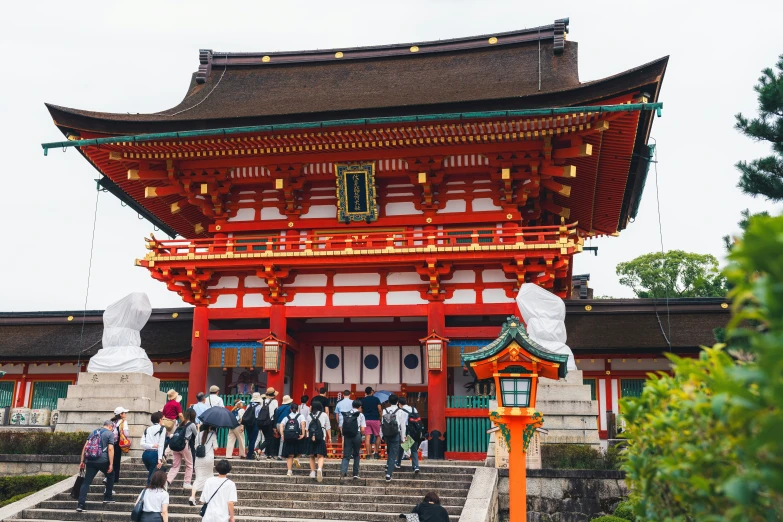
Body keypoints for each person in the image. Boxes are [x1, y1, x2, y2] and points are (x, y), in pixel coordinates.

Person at [76, 419, 115, 512]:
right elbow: (110, 449)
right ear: (110, 426)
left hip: (90, 460)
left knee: (86, 482)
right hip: (102, 460)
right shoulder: (110, 434)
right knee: (111, 475)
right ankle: (107, 497)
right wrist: (111, 464)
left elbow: (85, 447)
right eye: (112, 428)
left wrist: (82, 461)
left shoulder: (93, 432)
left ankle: (80, 505)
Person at [166, 408, 197, 489]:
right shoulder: (192, 424)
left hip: (176, 446)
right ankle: (187, 483)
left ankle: (167, 481)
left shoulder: (181, 423)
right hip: (185, 445)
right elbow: (196, 435)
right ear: (193, 415)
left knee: (175, 466)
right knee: (189, 465)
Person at [189, 423, 219, 506]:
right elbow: (216, 447)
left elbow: (195, 447)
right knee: (210, 478)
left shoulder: (198, 434)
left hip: (199, 459)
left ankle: (192, 497)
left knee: (198, 479)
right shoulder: (213, 434)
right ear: (210, 426)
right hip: (209, 459)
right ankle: (207, 498)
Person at [382, 394, 407, 482]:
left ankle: (388, 465)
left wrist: (382, 435)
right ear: (397, 402)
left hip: (387, 434)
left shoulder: (385, 410)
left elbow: (383, 423)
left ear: (388, 401)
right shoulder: (400, 411)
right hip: (396, 434)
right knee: (393, 454)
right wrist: (403, 438)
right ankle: (388, 474)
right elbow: (403, 426)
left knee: (389, 450)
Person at [339, 399, 366, 481]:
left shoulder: (347, 414)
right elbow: (362, 429)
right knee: (356, 454)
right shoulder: (360, 415)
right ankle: (355, 474)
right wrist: (362, 435)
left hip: (347, 436)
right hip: (357, 435)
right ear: (360, 407)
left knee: (346, 455)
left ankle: (343, 472)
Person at [280, 403, 306, 477]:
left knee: (290, 455)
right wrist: (303, 434)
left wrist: (282, 435)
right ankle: (297, 458)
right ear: (298, 409)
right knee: (299, 450)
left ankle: (289, 471)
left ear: (290, 409)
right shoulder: (300, 416)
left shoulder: (286, 417)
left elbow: (282, 425)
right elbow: (303, 424)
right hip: (297, 436)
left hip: (288, 438)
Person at [396, 397, 421, 473]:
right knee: (413, 450)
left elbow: (402, 425)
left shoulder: (401, 411)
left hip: (408, 432)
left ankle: (398, 463)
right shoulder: (414, 409)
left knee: (403, 447)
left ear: (399, 404)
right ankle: (416, 466)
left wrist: (402, 436)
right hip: (415, 432)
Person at [306, 401, 330, 482]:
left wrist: (308, 436)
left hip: (311, 437)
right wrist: (329, 437)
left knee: (312, 455)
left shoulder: (309, 416)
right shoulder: (324, 415)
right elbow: (328, 427)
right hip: (321, 437)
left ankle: (312, 472)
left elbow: (307, 428)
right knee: (321, 455)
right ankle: (319, 469)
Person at [141, 412, 167, 484]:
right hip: (154, 454)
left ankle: (150, 490)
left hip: (145, 455)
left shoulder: (147, 429)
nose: (163, 421)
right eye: (162, 419)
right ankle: (148, 491)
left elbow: (142, 444)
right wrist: (159, 459)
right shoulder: (162, 429)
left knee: (152, 473)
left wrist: (151, 445)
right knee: (152, 476)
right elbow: (161, 445)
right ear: (159, 420)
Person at [255, 388, 279, 459]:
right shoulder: (275, 402)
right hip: (269, 422)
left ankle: (269, 454)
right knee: (269, 439)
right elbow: (275, 414)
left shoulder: (263, 401)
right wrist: (274, 426)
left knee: (268, 438)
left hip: (262, 422)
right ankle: (258, 450)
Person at [361, 387, 383, 459]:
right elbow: (379, 409)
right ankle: (376, 453)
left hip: (366, 420)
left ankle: (368, 454)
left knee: (367, 437)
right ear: (371, 392)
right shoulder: (376, 399)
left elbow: (361, 410)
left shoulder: (363, 400)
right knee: (378, 436)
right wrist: (381, 417)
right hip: (375, 419)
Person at [110, 406, 129, 485]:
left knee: (110, 461)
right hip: (118, 444)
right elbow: (126, 433)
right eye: (124, 413)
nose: (125, 414)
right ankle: (115, 479)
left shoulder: (111, 422)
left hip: (110, 443)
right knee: (117, 462)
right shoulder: (123, 422)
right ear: (121, 414)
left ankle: (108, 477)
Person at [274, 395, 294, 461]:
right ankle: (280, 455)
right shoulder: (290, 408)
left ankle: (281, 454)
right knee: (283, 440)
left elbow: (276, 417)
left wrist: (275, 427)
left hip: (278, 424)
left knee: (282, 439)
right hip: (285, 424)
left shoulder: (279, 408)